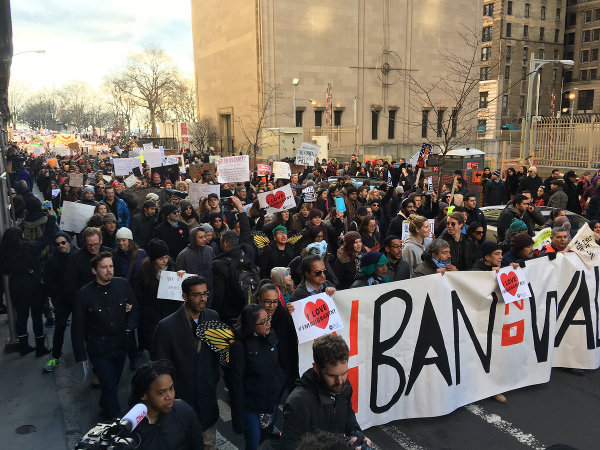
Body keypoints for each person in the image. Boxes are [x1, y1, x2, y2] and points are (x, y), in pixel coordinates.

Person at [152, 276, 221, 450]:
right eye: (197, 295)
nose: (203, 298)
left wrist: (213, 380)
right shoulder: (167, 327)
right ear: (185, 297)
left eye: (205, 294)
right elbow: (160, 368)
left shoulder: (213, 316)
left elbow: (216, 355)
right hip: (181, 404)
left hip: (207, 404)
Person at [72, 252, 137, 418]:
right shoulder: (84, 294)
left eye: (111, 266)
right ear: (94, 270)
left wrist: (129, 328)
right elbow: (78, 326)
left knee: (114, 381)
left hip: (121, 344)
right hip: (99, 348)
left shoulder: (122, 285)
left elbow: (134, 309)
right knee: (108, 384)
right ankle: (116, 421)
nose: (109, 270)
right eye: (104, 267)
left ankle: (104, 402)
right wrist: (81, 355)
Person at [280, 334, 370, 450]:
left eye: (344, 373)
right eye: (332, 376)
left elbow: (348, 416)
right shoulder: (298, 402)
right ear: (316, 368)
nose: (340, 382)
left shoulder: (344, 386)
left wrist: (357, 435)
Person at [230, 304, 287, 450]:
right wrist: (238, 417)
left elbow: (278, 366)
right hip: (251, 407)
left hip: (270, 404)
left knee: (266, 443)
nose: (268, 324)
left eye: (268, 319)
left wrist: (279, 385)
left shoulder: (272, 336)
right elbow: (236, 383)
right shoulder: (239, 346)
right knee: (254, 444)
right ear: (251, 326)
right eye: (263, 322)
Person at [130, 360, 205, 450]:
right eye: (161, 393)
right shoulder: (128, 427)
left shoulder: (184, 411)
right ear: (143, 395)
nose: (170, 396)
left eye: (171, 388)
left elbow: (198, 444)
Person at [212, 196, 257, 324]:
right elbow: (246, 234)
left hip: (231, 317)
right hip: (250, 311)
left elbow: (219, 296)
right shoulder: (247, 252)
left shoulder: (219, 265)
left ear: (224, 245)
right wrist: (240, 209)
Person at [42, 232, 77, 371]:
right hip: (62, 298)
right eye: (57, 244)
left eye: (63, 242)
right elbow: (48, 280)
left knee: (85, 326)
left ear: (68, 242)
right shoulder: (52, 260)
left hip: (76, 296)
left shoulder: (78, 256)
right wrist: (56, 295)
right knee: (60, 326)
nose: (61, 246)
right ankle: (55, 357)